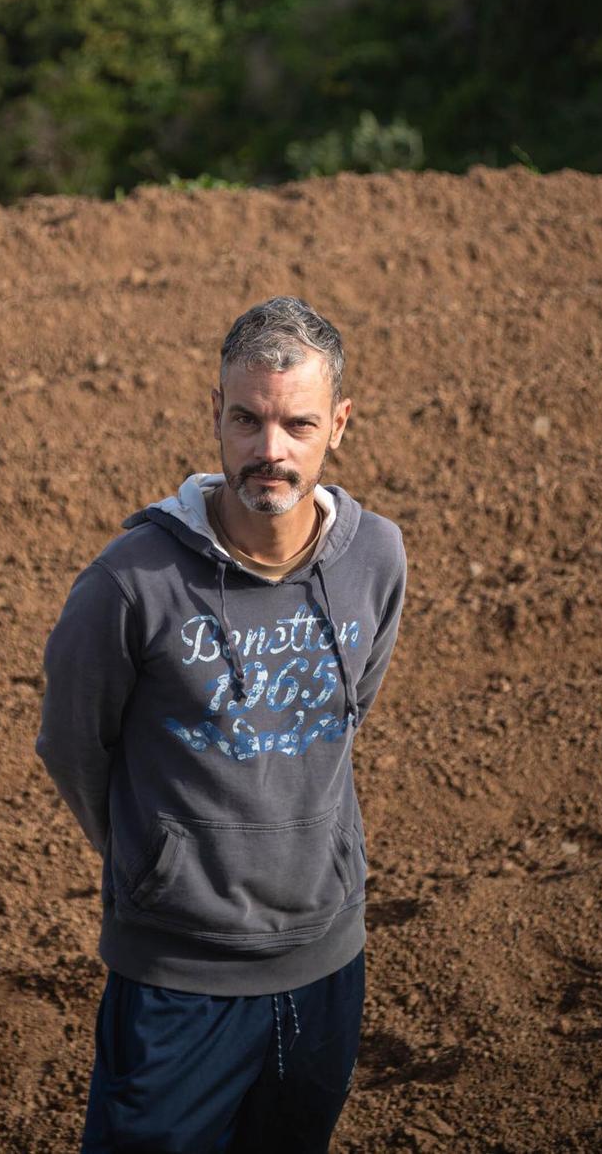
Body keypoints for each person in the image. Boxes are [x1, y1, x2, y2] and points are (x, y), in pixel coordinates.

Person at [36, 296, 408, 1154]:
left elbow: (347, 711)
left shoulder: (376, 557)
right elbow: (72, 743)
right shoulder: (132, 581)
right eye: (247, 418)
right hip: (178, 978)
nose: (269, 450)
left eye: (297, 423)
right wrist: (166, 861)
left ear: (339, 425)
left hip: (326, 962)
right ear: (216, 412)